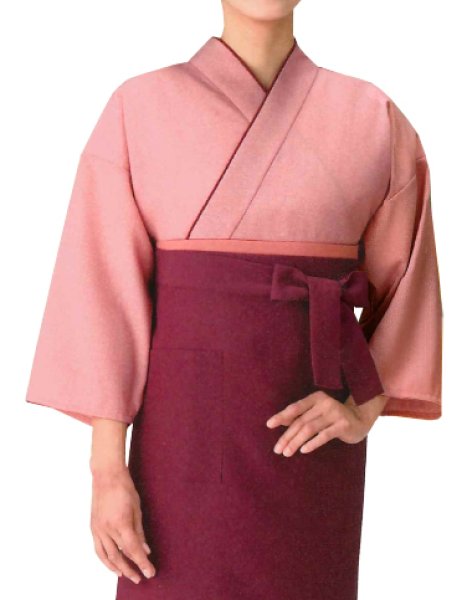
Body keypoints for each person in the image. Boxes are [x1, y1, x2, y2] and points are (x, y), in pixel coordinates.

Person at [25, 1, 443, 598]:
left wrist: (362, 407)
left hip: (311, 450)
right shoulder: (138, 107)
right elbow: (102, 295)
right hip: (179, 450)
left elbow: (410, 288)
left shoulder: (373, 115)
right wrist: (106, 470)